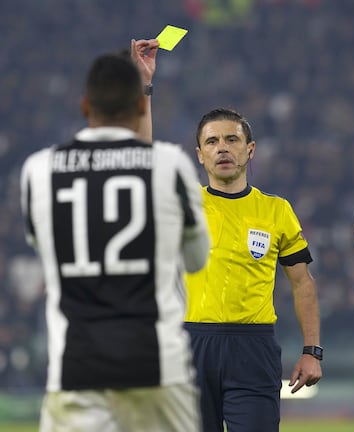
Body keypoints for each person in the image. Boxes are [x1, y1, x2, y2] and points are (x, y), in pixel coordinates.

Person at [20, 41, 209, 432]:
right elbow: (196, 260)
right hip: (157, 366)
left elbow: (45, 249)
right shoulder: (170, 166)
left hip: (76, 367)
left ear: (84, 107)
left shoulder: (38, 171)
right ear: (140, 107)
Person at [135, 38, 323, 432]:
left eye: (232, 139)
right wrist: (144, 86)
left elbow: (302, 283)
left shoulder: (276, 210)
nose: (223, 148)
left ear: (250, 150)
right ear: (199, 155)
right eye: (212, 141)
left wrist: (312, 350)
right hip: (188, 346)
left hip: (252, 348)